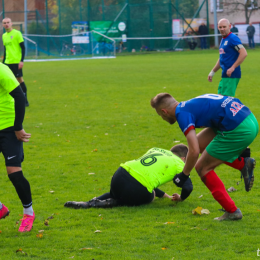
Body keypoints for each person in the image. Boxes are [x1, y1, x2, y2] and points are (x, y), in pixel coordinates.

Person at [151, 93, 258, 221]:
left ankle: (232, 211)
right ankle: (242, 164)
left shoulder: (182, 115)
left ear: (164, 111)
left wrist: (184, 175)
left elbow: (193, 151)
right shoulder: (189, 104)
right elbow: (197, 146)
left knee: (202, 168)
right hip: (248, 118)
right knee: (201, 145)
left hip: (238, 128)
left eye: (159, 114)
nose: (162, 118)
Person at [64, 144, 193, 209]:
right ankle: (110, 203)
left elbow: (144, 176)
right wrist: (181, 198)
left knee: (118, 192)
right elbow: (188, 188)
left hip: (120, 174)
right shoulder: (179, 164)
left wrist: (166, 196)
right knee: (150, 194)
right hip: (136, 187)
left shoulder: (157, 149)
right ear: (183, 158)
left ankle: (88, 203)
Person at [0, 63, 35, 232]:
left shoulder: (1, 70)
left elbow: (20, 97)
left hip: (8, 128)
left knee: (14, 173)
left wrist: (18, 127)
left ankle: (28, 213)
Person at [208, 18, 247, 97]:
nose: (222, 29)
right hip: (224, 74)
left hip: (232, 75)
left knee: (226, 101)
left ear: (229, 26)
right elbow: (221, 58)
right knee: (219, 99)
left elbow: (243, 53)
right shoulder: (223, 39)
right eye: (220, 27)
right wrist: (212, 72)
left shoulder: (233, 38)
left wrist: (232, 67)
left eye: (224, 27)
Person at [2, 17, 29, 107]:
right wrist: (3, 63)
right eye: (4, 23)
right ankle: (10, 100)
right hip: (7, 62)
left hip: (16, 62)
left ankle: (25, 100)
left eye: (8, 22)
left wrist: (21, 61)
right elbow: (5, 50)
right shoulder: (4, 36)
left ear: (11, 23)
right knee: (8, 81)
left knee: (19, 80)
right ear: (2, 25)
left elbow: (23, 47)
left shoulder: (17, 33)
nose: (6, 24)